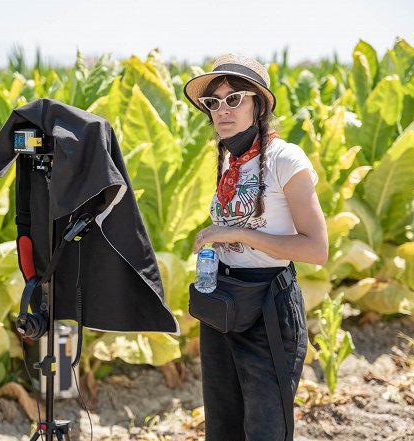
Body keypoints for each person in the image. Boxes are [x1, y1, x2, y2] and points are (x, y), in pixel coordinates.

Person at [183, 53, 328, 441]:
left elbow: (317, 248)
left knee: (266, 430)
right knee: (222, 428)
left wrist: (238, 235)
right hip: (222, 305)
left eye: (235, 98)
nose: (222, 110)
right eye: (213, 102)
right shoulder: (231, 160)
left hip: (268, 309)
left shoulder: (285, 158)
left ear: (259, 104)